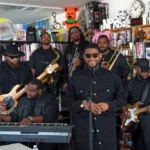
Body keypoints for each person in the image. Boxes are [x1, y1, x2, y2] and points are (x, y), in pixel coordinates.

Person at [64, 43, 126, 150]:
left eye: (95, 55)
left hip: (107, 134)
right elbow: (67, 102)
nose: (91, 58)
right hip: (83, 135)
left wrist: (108, 105)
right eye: (88, 56)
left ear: (100, 56)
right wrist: (82, 104)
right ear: (83, 57)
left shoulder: (113, 77)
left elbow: (122, 99)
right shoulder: (75, 79)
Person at [0, 79, 58, 150]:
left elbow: (48, 116)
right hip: (24, 136)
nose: (28, 93)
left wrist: (30, 119)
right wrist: (1, 116)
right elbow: (13, 116)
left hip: (44, 135)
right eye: (27, 90)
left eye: (32, 91)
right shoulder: (23, 100)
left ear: (40, 91)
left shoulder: (50, 99)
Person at [97, 35, 130, 149]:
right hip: (100, 93)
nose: (101, 45)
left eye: (104, 42)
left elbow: (126, 71)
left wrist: (110, 70)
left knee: (115, 123)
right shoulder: (96, 56)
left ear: (108, 43)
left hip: (115, 92)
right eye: (99, 42)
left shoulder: (117, 56)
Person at [125, 58, 150, 150]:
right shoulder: (129, 83)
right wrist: (125, 112)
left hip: (147, 117)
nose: (145, 73)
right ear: (136, 68)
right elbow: (124, 100)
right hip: (134, 119)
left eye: (147, 71)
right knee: (137, 145)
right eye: (143, 71)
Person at [29, 32, 64, 96]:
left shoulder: (57, 52)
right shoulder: (35, 53)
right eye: (44, 37)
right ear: (41, 39)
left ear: (50, 39)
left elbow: (62, 66)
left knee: (53, 102)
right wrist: (31, 82)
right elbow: (32, 69)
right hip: (40, 82)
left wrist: (55, 69)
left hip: (54, 83)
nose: (46, 39)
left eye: (48, 37)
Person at [0, 44, 33, 110]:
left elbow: (31, 82)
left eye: (17, 57)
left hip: (24, 103)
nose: (15, 59)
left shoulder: (26, 68)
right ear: (6, 57)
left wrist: (29, 88)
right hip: (5, 103)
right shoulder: (1, 69)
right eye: (12, 57)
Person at [63, 26, 89, 90]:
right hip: (71, 80)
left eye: (76, 32)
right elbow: (65, 65)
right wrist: (65, 81)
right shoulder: (68, 48)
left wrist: (81, 63)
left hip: (84, 79)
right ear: (70, 36)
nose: (75, 34)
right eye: (72, 33)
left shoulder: (87, 45)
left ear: (80, 33)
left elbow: (92, 61)